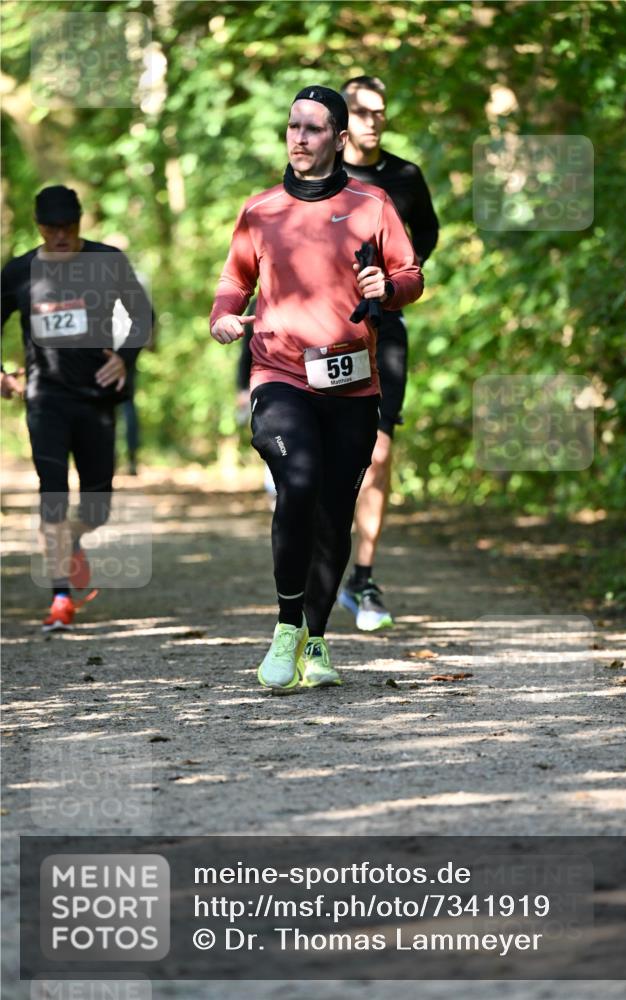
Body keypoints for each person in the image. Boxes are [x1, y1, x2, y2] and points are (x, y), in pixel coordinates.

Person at [210, 85, 423, 691]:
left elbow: (411, 274)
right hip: (279, 373)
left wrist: (390, 289)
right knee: (297, 483)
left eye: (313, 128)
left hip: (353, 381)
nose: (299, 138)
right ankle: (285, 625)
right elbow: (235, 279)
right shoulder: (262, 209)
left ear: (339, 138)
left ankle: (317, 640)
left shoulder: (372, 203)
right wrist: (223, 316)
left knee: (335, 511)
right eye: (292, 126)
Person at [1, 185, 153, 631]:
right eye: (53, 229)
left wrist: (124, 360)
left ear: (81, 222)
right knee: (52, 491)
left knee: (97, 505)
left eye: (70, 226)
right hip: (45, 397)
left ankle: (72, 541)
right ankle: (60, 598)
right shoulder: (20, 271)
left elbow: (142, 315)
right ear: (39, 227)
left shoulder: (107, 261)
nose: (62, 236)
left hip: (96, 399)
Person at [337, 75, 439, 631]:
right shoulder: (321, 179)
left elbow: (426, 236)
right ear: (343, 117)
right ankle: (314, 560)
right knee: (326, 453)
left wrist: (396, 275)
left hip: (385, 327)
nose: (373, 121)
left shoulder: (404, 177)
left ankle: (364, 577)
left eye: (381, 112)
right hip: (323, 332)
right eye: (361, 111)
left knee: (378, 453)